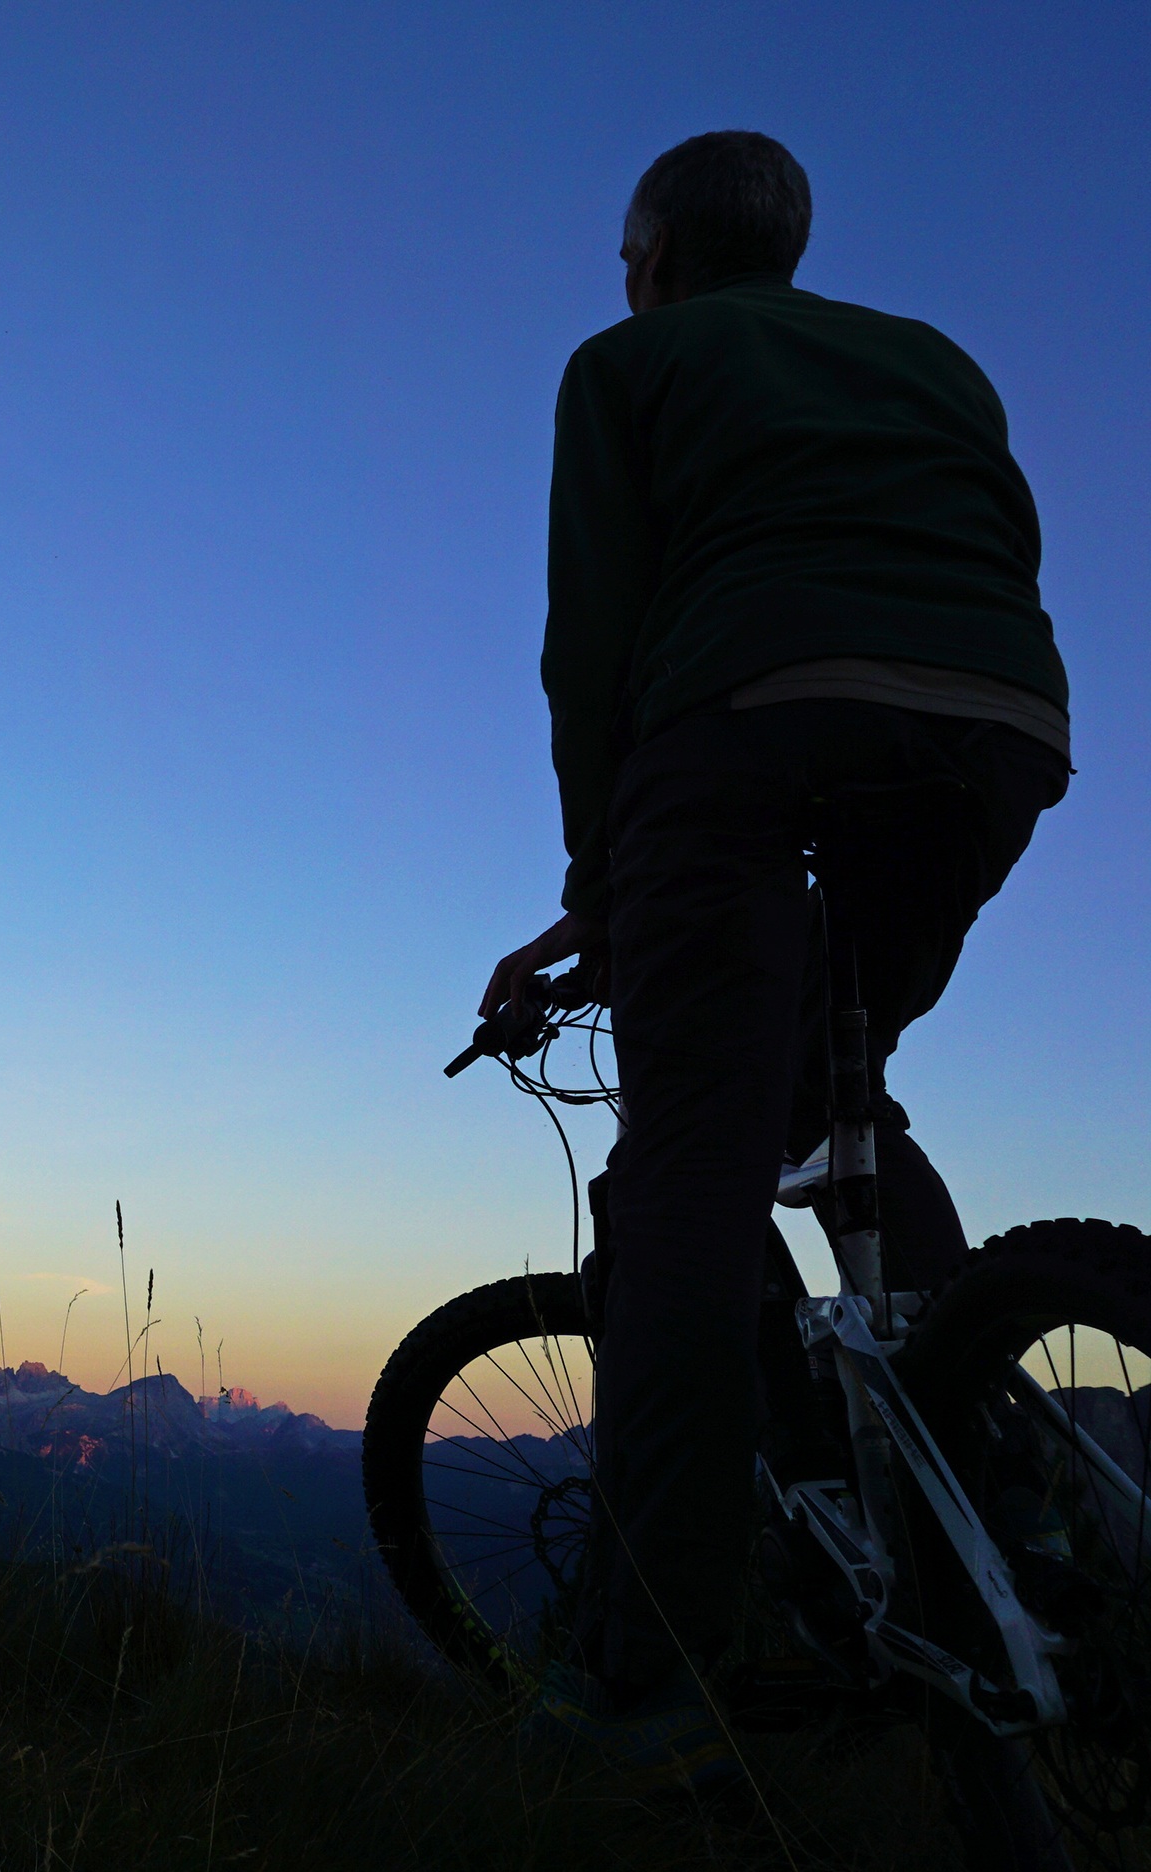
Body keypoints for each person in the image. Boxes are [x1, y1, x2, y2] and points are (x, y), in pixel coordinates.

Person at [480, 130, 1073, 1780]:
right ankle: (999, 1501)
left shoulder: (629, 362)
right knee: (841, 1086)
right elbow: (999, 548)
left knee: (692, 1171)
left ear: (655, 252)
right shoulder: (933, 360)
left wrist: (602, 884)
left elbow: (588, 640)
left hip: (736, 722)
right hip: (994, 728)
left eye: (626, 253)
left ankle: (648, 1678)